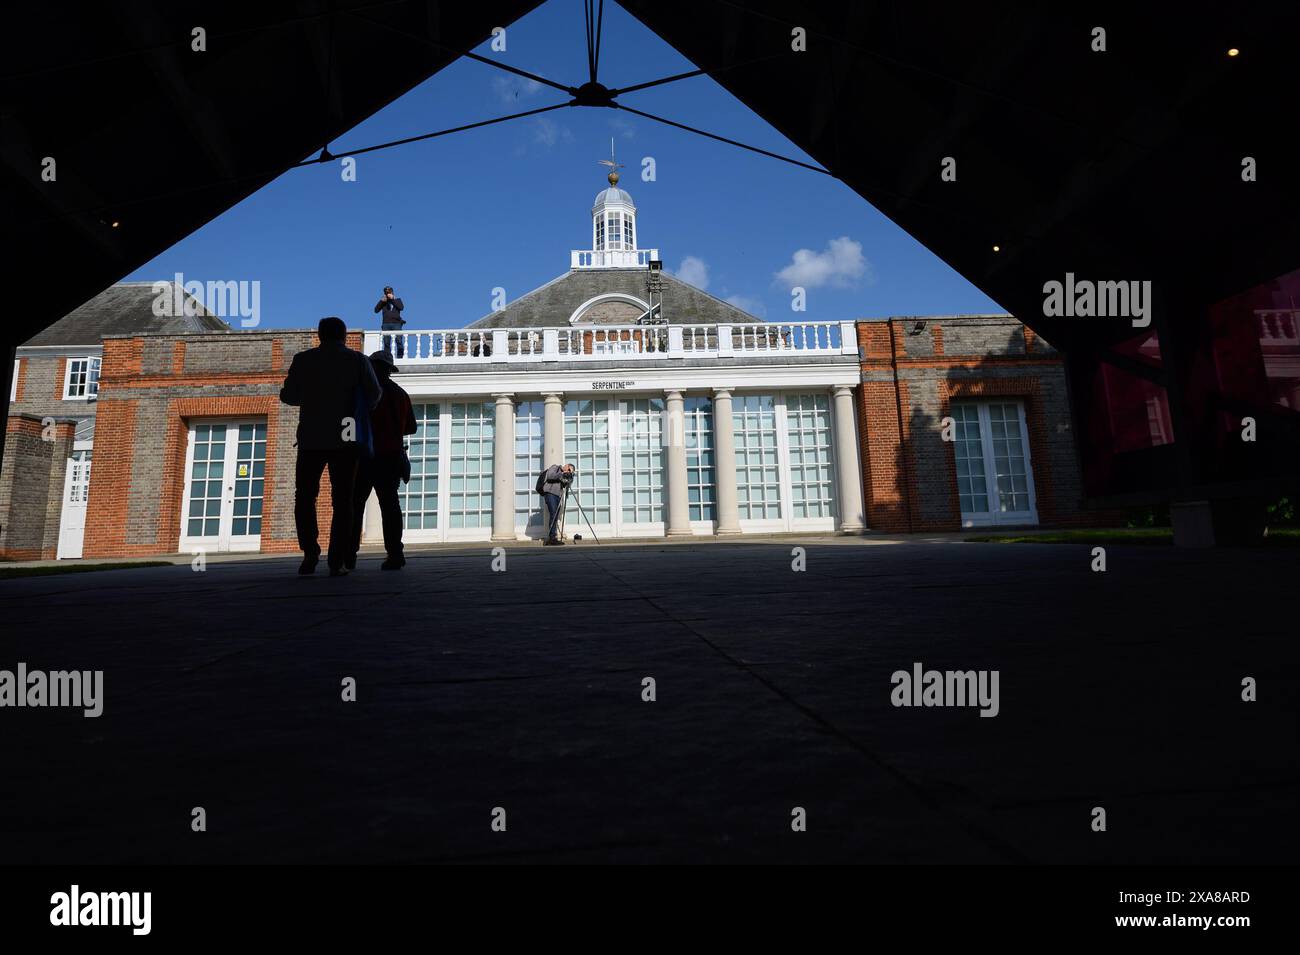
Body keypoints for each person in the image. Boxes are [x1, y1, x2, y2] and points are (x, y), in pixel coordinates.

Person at [279, 316, 382, 576]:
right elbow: (375, 395)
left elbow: (289, 396)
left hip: (312, 435)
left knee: (304, 496)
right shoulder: (357, 360)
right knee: (343, 500)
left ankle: (310, 551)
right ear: (344, 336)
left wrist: (312, 398)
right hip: (346, 434)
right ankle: (337, 559)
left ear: (320, 335)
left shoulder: (304, 360)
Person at [347, 350, 417, 571]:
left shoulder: (365, 392)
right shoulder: (401, 394)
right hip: (392, 457)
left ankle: (349, 555)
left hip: (367, 457)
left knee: (355, 505)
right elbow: (412, 427)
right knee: (390, 506)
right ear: (390, 370)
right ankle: (395, 553)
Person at [538, 462, 575, 545]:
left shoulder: (564, 475)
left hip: (558, 495)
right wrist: (562, 474)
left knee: (555, 515)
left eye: (570, 472)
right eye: (569, 470)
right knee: (553, 514)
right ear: (566, 466)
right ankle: (552, 538)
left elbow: (565, 485)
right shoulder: (555, 467)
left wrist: (569, 479)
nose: (568, 472)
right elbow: (550, 476)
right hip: (550, 493)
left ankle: (553, 537)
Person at [374, 286, 406, 359]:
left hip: (396, 323)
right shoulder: (384, 302)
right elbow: (376, 310)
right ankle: (387, 358)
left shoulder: (397, 300)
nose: (388, 294)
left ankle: (400, 357)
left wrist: (393, 299)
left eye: (389, 292)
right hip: (386, 324)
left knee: (399, 340)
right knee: (386, 342)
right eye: (386, 293)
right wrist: (381, 301)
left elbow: (401, 307)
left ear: (392, 292)